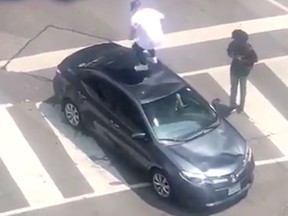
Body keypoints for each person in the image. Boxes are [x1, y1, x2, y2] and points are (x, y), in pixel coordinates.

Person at [227, 29, 258, 113]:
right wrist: (234, 56)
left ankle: (238, 106)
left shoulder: (247, 48)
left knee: (238, 88)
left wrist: (242, 60)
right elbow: (229, 52)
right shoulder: (235, 45)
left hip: (241, 70)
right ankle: (234, 105)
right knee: (239, 88)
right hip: (239, 70)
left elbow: (255, 59)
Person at [129, 0, 165, 71]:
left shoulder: (135, 17)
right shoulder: (150, 11)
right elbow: (162, 18)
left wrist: (131, 37)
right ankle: (153, 58)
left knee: (136, 48)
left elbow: (133, 29)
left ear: (133, 8)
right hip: (159, 37)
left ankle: (143, 65)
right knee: (150, 44)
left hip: (148, 40)